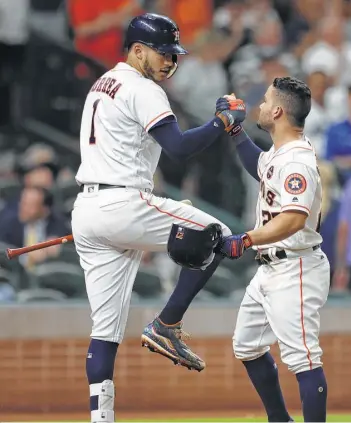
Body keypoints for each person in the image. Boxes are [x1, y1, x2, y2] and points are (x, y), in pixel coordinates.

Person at [71, 13, 246, 423]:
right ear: (136, 50)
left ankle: (101, 419)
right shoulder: (141, 87)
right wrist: (222, 122)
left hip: (89, 209)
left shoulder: (101, 85)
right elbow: (179, 149)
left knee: (106, 331)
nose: (170, 62)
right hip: (124, 202)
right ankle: (167, 323)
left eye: (174, 55)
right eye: (164, 53)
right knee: (215, 232)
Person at [214, 78, 330, 422]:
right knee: (247, 345)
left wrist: (247, 238)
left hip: (295, 265)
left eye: (265, 101)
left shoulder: (298, 161)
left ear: (278, 111)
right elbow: (260, 168)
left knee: (304, 358)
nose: (261, 106)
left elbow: (293, 219)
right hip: (271, 267)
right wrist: (235, 131)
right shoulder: (282, 152)